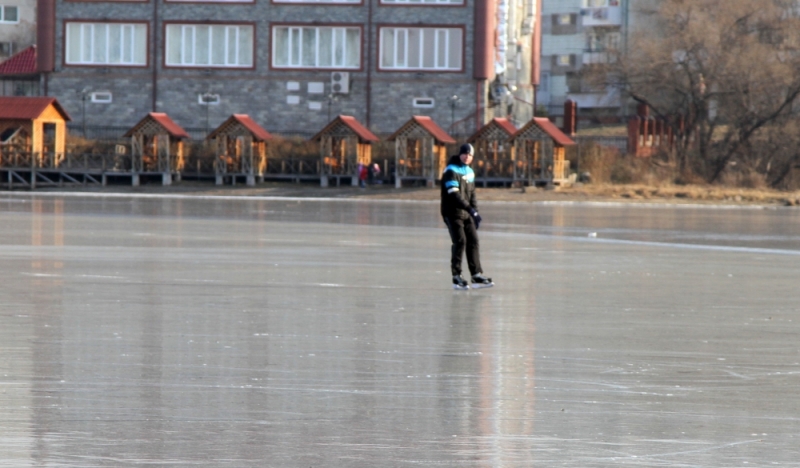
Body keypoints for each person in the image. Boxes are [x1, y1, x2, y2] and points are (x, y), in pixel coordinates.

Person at [440, 143, 493, 290]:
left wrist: (475, 212)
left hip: (466, 212)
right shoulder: (451, 170)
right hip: (452, 212)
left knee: (474, 241)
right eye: (465, 153)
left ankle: (476, 275)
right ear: (460, 154)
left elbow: (472, 194)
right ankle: (456, 276)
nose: (467, 157)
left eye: (470, 155)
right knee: (460, 241)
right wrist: (470, 210)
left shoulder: (470, 171)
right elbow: (454, 194)